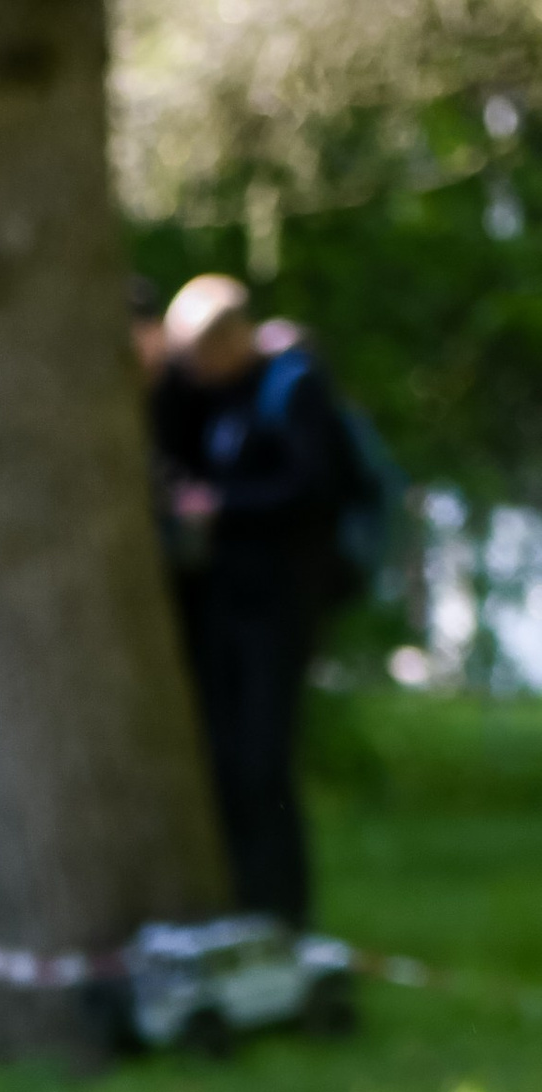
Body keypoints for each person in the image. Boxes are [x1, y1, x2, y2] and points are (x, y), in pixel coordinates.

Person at [152, 274, 350, 925]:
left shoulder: (290, 387)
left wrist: (223, 507)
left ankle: (282, 913)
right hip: (224, 603)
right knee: (223, 756)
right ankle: (238, 899)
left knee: (264, 760)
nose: (195, 372)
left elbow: (310, 485)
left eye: (200, 357)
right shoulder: (209, 394)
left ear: (232, 341)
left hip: (276, 604)